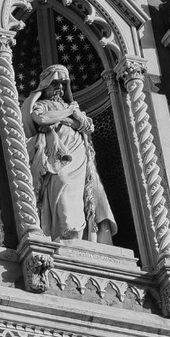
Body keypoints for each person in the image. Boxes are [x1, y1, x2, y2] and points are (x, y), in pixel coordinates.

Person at [25, 64, 116, 242]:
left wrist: (64, 118)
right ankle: (65, 229)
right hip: (57, 155)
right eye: (55, 83)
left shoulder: (72, 106)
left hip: (79, 154)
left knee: (86, 193)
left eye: (63, 84)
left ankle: (77, 234)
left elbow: (88, 126)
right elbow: (42, 118)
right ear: (45, 85)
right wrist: (69, 112)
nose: (59, 87)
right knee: (62, 180)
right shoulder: (43, 105)